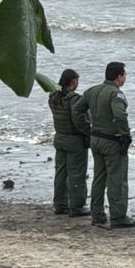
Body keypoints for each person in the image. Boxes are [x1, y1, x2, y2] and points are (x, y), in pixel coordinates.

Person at [83, 61, 134, 228]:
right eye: (124, 75)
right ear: (118, 77)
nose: (125, 77)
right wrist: (124, 134)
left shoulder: (91, 91)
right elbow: (120, 115)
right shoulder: (115, 94)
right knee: (116, 179)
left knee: (99, 177)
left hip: (95, 138)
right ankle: (118, 217)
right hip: (111, 140)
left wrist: (86, 127)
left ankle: (97, 214)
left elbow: (77, 109)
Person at [48, 69, 89, 217]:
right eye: (77, 80)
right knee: (76, 174)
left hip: (59, 137)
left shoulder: (53, 97)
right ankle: (77, 207)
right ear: (73, 81)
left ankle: (60, 204)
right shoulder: (75, 99)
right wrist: (88, 132)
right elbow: (79, 119)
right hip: (74, 140)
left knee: (60, 173)